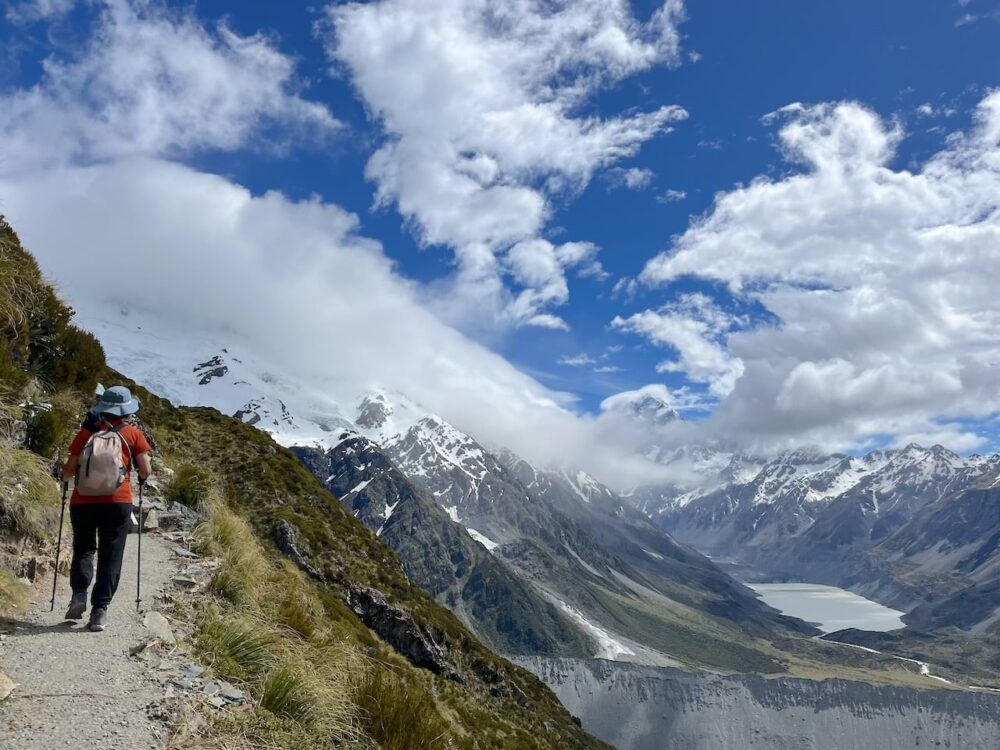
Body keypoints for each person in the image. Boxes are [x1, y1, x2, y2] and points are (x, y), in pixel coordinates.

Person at [61, 386, 153, 631]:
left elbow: (68, 471)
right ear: (125, 411)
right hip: (117, 502)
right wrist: (139, 477)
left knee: (83, 549)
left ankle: (79, 594)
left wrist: (68, 478)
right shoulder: (133, 434)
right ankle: (99, 612)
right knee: (111, 554)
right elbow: (146, 470)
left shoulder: (86, 434)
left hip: (83, 501)